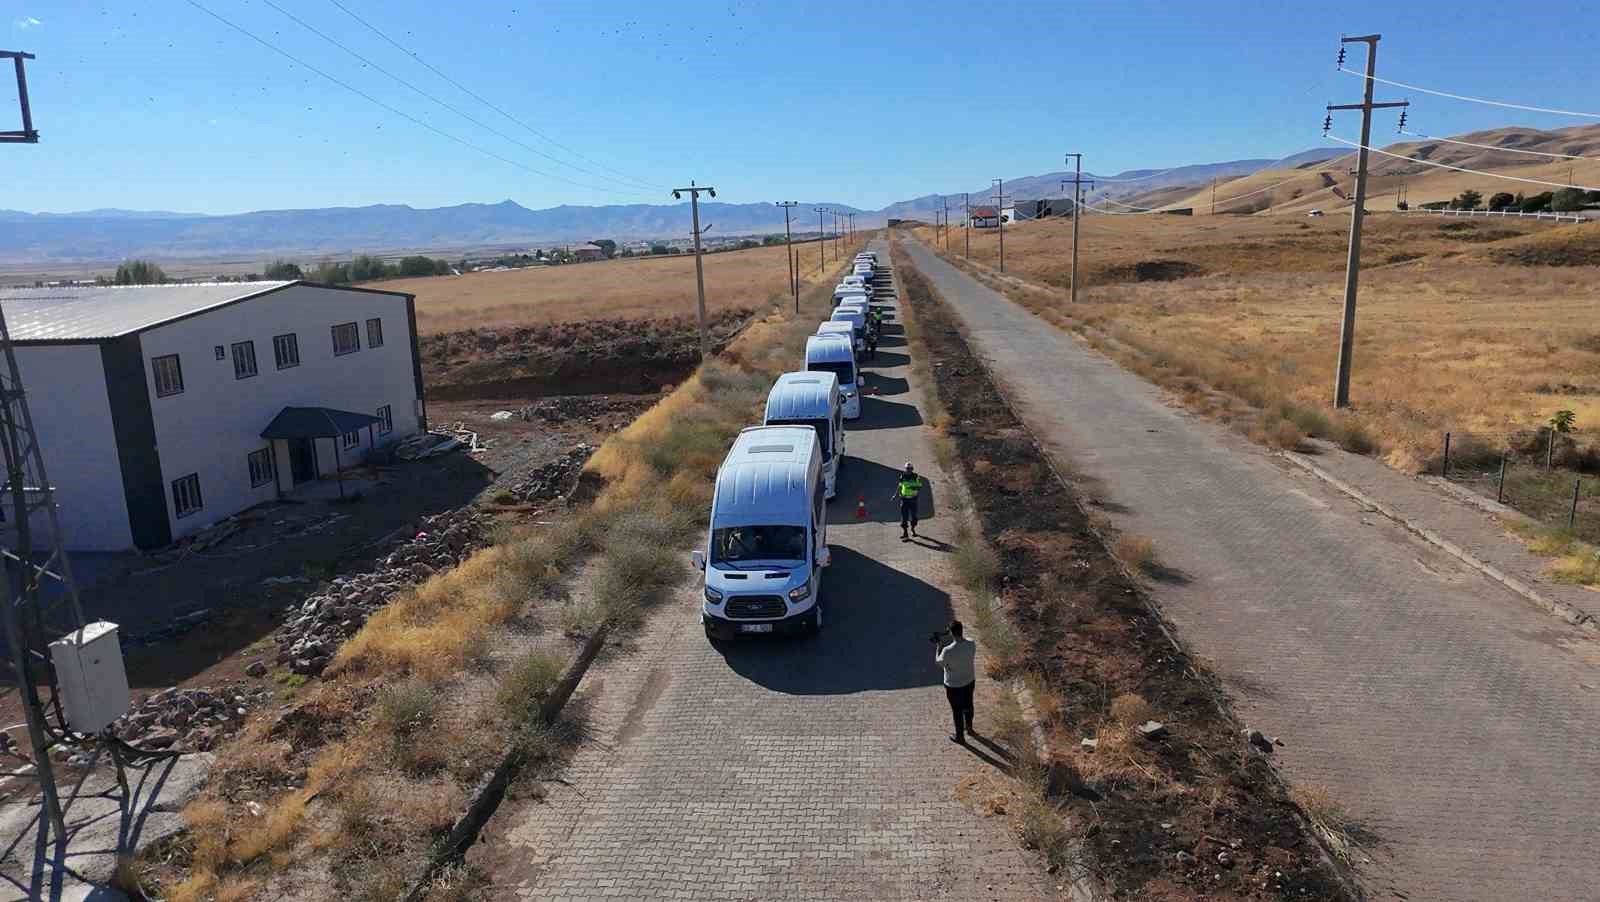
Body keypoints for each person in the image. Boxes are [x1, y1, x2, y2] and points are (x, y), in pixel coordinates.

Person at [935, 620, 977, 744]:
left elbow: (939, 663)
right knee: (969, 704)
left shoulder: (947, 650)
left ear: (952, 633)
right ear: (961, 630)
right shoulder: (971, 643)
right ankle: (969, 728)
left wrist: (938, 647)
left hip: (953, 685)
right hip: (969, 680)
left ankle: (960, 737)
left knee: (957, 710)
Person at [892, 462, 922, 540]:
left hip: (913, 499)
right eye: (906, 469)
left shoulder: (916, 476)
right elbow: (899, 485)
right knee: (904, 517)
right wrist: (895, 494)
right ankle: (905, 533)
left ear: (912, 469)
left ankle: (913, 529)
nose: (908, 470)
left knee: (914, 517)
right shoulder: (902, 476)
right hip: (904, 499)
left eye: (909, 469)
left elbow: (919, 486)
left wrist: (912, 487)